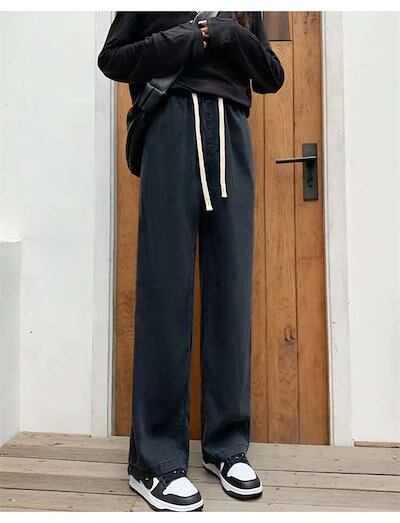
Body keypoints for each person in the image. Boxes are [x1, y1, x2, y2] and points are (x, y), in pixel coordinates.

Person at [98, 11, 284, 512]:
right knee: (165, 291)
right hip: (171, 125)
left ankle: (227, 446)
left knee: (231, 294)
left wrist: (228, 33)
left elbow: (271, 75)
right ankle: (154, 461)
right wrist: (186, 38)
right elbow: (112, 59)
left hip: (231, 129)